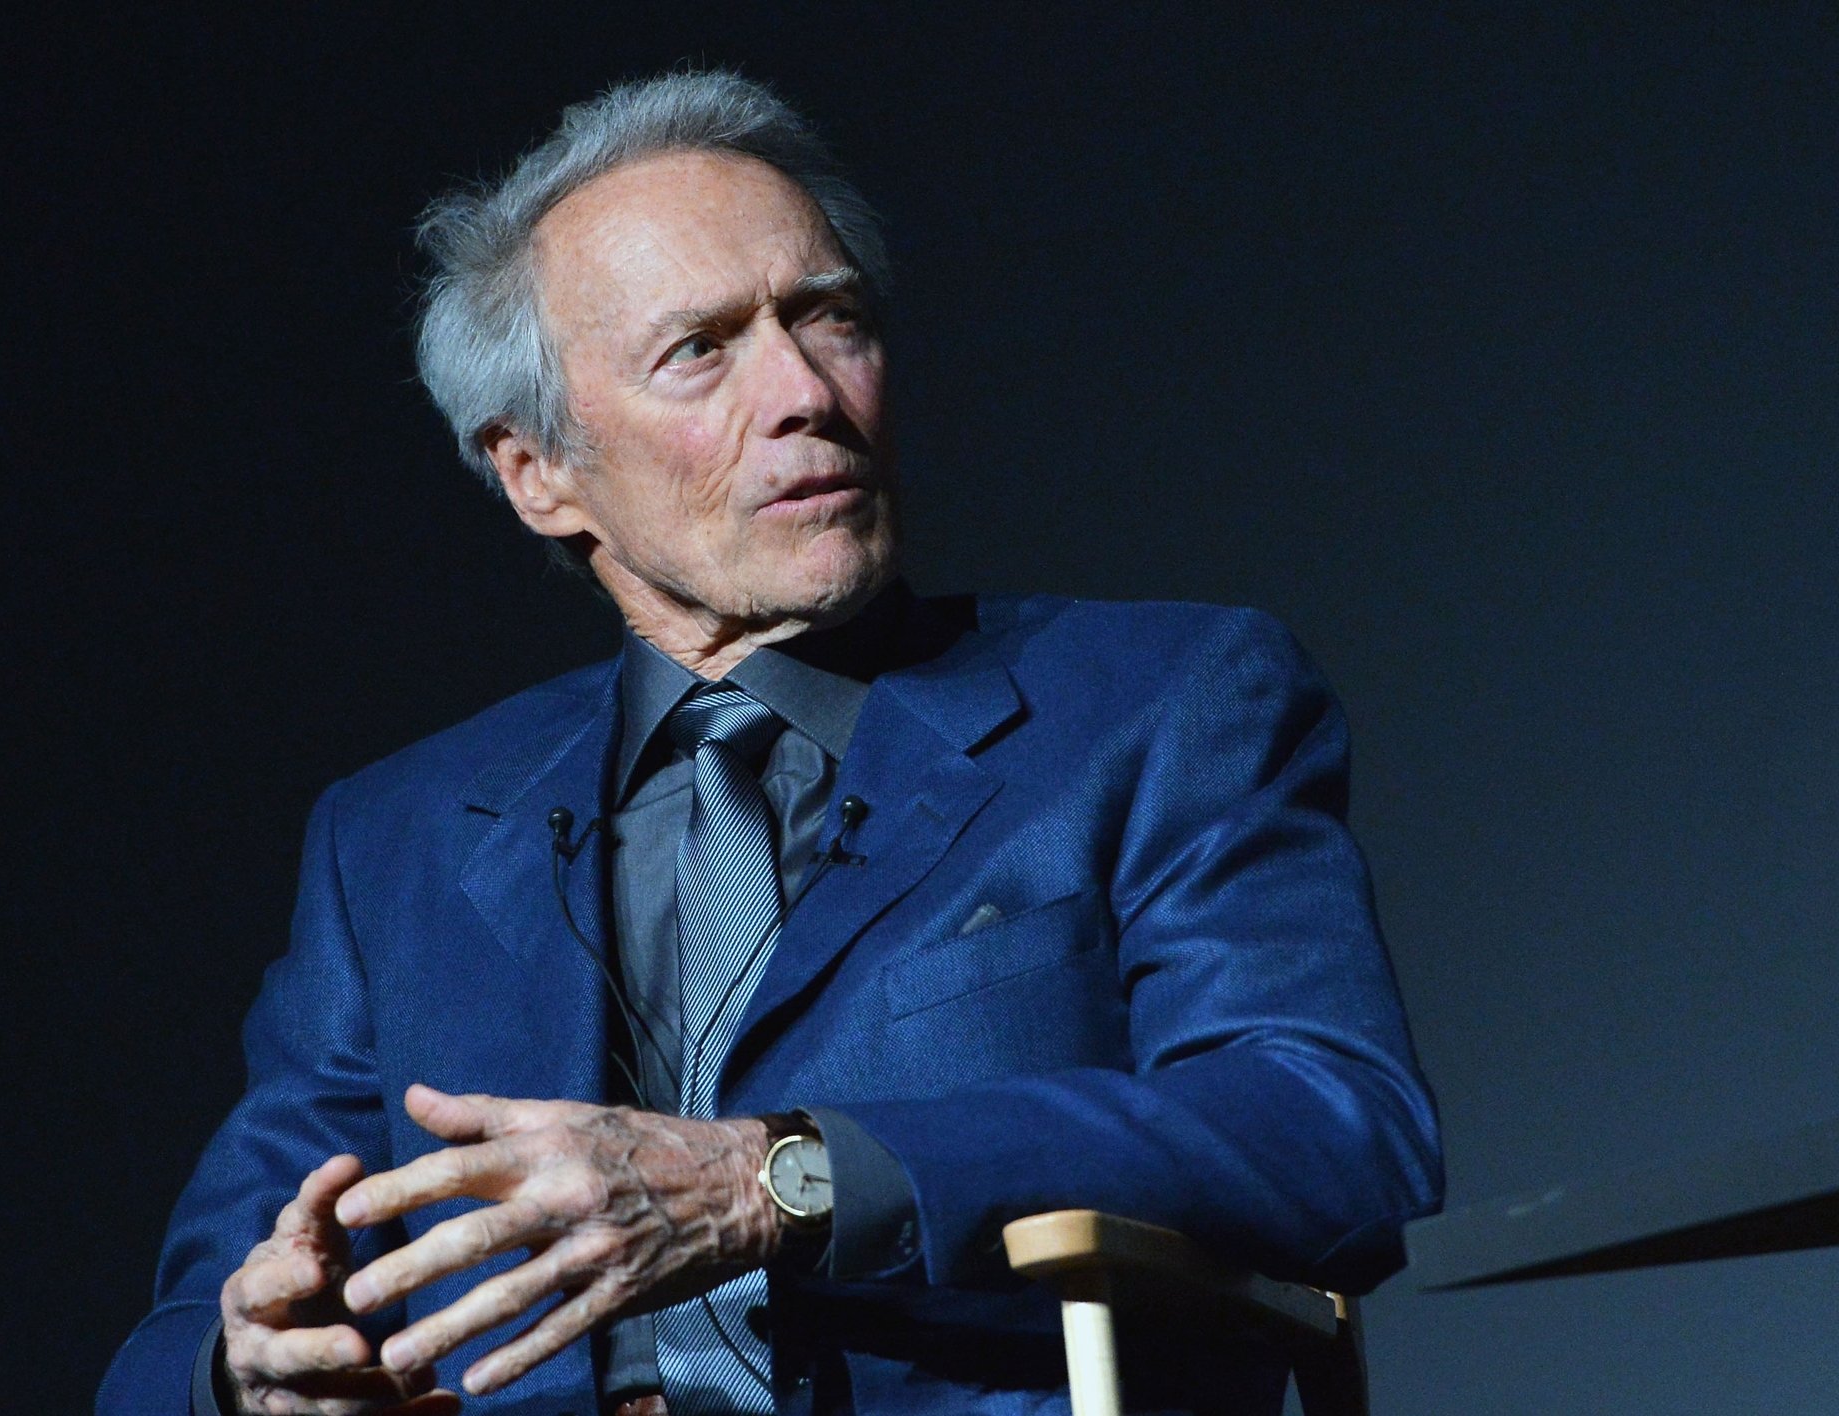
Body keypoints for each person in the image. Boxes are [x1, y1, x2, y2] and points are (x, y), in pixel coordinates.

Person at [99, 69, 1442, 1416]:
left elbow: (1330, 1125)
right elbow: (168, 1351)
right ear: (537, 473)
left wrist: (781, 1181)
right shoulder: (392, 843)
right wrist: (249, 1371)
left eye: (831, 318)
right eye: (702, 350)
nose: (805, 391)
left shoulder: (1159, 700)